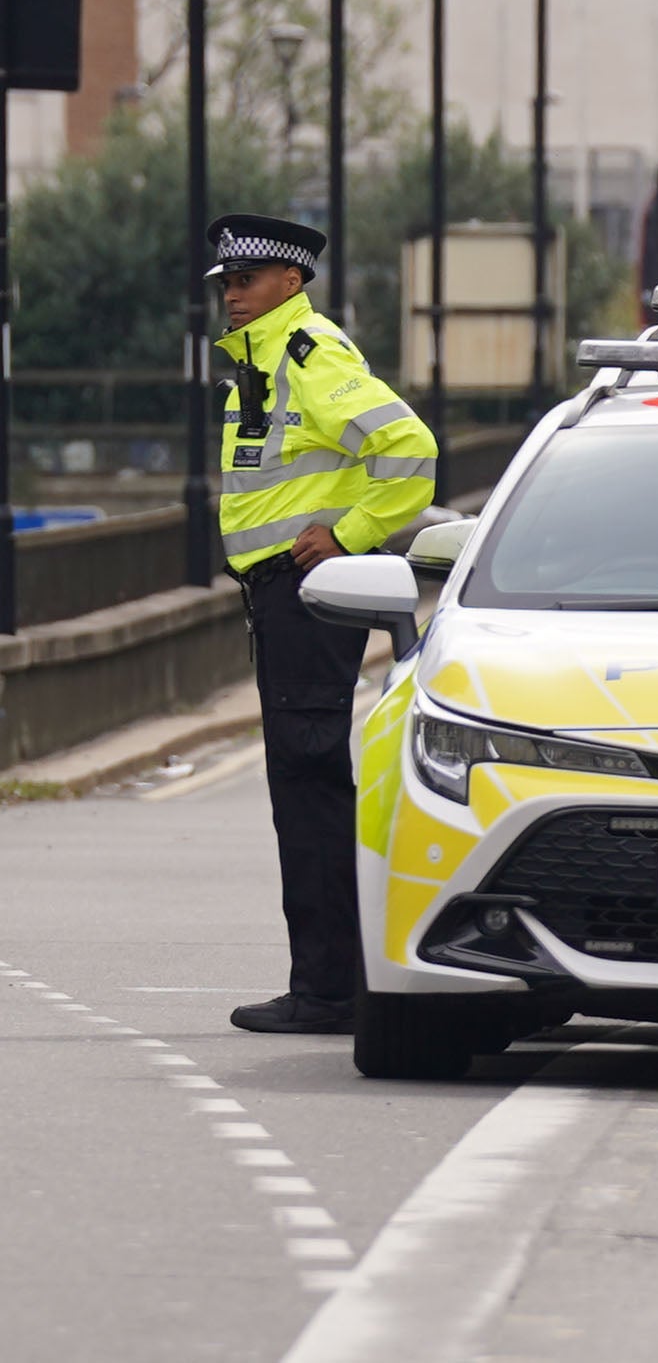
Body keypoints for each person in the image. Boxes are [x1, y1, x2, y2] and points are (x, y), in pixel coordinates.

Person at [205, 216, 438, 1037]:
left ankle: (331, 988)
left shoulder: (310, 354)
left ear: (291, 282)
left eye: (248, 278)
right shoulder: (260, 361)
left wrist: (347, 534)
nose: (232, 292)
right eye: (226, 281)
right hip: (280, 594)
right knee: (304, 787)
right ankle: (333, 980)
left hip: (304, 594)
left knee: (308, 788)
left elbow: (409, 450)